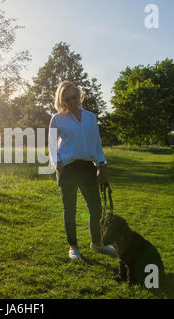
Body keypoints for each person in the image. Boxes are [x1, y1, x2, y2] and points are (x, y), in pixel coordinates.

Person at [48, 80, 116, 261]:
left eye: (74, 97)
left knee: (95, 207)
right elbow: (51, 146)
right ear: (61, 101)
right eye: (66, 99)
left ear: (79, 96)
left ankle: (97, 243)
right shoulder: (57, 119)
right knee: (69, 209)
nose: (71, 102)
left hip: (87, 167)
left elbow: (97, 144)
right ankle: (73, 247)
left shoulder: (91, 117)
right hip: (68, 168)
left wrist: (102, 165)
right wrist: (57, 163)